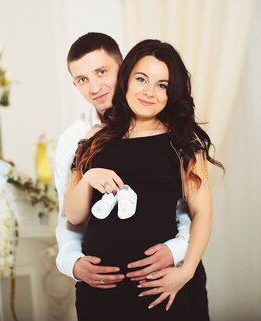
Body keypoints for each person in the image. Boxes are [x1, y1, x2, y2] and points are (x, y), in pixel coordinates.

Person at [54, 33, 211, 319]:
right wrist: (74, 263)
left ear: (121, 69)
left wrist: (183, 266)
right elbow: (71, 217)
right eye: (82, 79)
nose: (94, 87)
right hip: (102, 295)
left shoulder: (182, 142)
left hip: (162, 285)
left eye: (102, 72)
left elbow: (196, 213)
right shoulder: (85, 138)